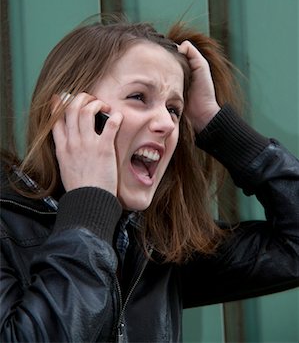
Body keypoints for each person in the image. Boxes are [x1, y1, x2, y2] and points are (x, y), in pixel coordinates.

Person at [0, 18, 298, 343]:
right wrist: (88, 207)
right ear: (71, 111)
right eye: (139, 97)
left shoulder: (156, 245)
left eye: (174, 109)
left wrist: (214, 123)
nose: (168, 125)